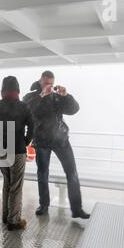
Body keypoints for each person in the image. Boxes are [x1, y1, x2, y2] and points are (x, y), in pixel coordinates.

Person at [23, 70, 90, 219]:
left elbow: (74, 110)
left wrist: (66, 96)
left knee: (72, 172)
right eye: (47, 83)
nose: (49, 86)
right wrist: (41, 96)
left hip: (61, 140)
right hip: (42, 141)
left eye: (51, 84)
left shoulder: (57, 97)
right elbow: (27, 110)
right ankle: (44, 205)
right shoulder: (31, 96)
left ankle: (77, 209)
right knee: (42, 174)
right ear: (40, 81)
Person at [0, 76, 34, 231]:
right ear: (17, 90)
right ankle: (13, 221)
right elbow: (32, 126)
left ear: (2, 90)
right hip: (17, 150)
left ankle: (6, 216)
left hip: (2, 149)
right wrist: (25, 141)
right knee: (16, 186)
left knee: (7, 183)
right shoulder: (23, 106)